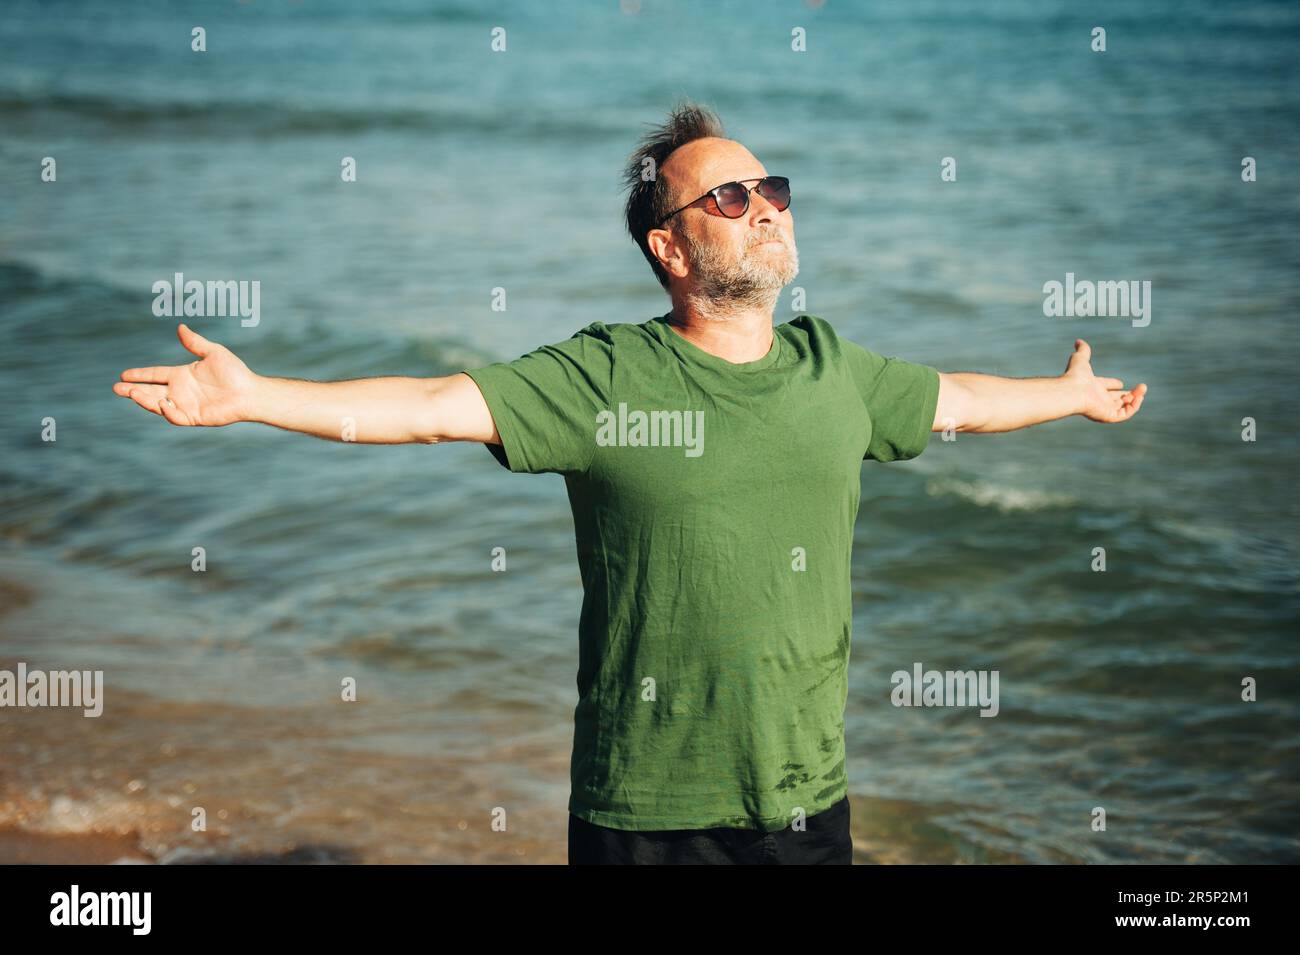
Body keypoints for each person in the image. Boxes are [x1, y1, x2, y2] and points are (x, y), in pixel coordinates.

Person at [112, 102, 1147, 865]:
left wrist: (1066, 394)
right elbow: (431, 405)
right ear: (670, 245)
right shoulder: (605, 374)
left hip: (804, 801)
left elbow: (954, 399)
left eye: (772, 190)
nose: (765, 210)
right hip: (643, 809)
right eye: (730, 198)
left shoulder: (840, 371)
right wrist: (254, 395)